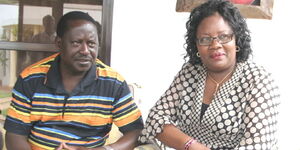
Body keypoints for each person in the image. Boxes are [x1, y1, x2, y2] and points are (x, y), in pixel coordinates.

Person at [138, 0, 280, 150]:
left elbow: (257, 145)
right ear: (196, 45)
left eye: (224, 36)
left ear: (236, 39)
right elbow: (155, 119)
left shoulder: (258, 80)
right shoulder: (190, 72)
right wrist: (191, 146)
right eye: (205, 39)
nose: (215, 45)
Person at [4, 11, 143, 150]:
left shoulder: (113, 83)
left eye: (91, 44)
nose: (85, 50)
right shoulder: (31, 78)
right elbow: (15, 134)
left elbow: (135, 131)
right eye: (77, 43)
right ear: (59, 43)